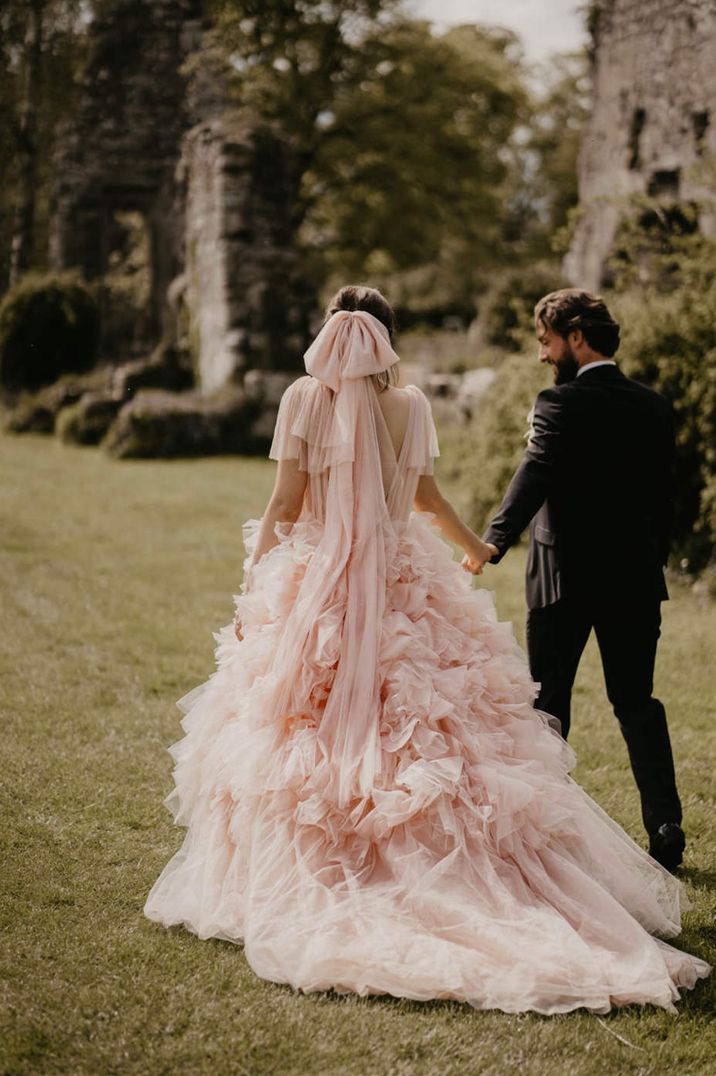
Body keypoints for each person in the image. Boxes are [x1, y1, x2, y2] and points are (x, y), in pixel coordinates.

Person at [144, 285, 709, 1015]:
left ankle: (336, 856)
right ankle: (508, 859)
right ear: (387, 339)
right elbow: (426, 501)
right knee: (441, 718)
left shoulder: (304, 399)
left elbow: (284, 506)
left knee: (309, 722)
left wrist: (255, 586)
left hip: (324, 583)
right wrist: (477, 548)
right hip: (410, 578)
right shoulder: (409, 405)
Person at [482, 289, 685, 872]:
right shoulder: (653, 406)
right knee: (636, 702)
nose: (542, 355)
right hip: (635, 579)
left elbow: (536, 472)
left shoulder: (558, 404)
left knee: (548, 704)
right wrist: (652, 558)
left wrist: (495, 539)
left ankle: (547, 834)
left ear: (574, 337)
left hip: (561, 579)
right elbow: (665, 500)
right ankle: (666, 823)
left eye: (545, 341)